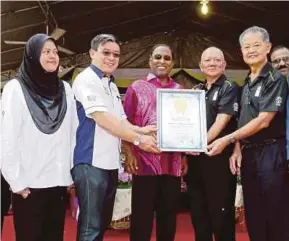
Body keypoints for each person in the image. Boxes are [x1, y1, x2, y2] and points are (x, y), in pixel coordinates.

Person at [72, 34, 159, 241]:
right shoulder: (86, 80)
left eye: (116, 54)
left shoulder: (110, 83)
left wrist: (140, 130)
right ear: (92, 53)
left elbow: (120, 120)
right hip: (90, 162)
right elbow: (102, 118)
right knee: (90, 227)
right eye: (106, 53)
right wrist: (138, 140)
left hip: (109, 164)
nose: (111, 58)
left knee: (101, 224)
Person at [207, 26, 289, 241]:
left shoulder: (274, 79)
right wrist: (237, 148)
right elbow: (244, 118)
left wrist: (227, 139)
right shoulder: (247, 81)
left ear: (267, 47)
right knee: (254, 212)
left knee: (274, 213)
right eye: (246, 46)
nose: (251, 50)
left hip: (271, 152)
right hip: (249, 154)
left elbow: (264, 120)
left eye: (256, 45)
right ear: (240, 50)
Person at [1, 34, 76, 241]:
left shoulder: (65, 89)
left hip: (58, 183)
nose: (52, 56)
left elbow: (73, 132)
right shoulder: (15, 89)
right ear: (33, 55)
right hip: (29, 185)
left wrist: (70, 173)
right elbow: (7, 138)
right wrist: (16, 182)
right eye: (46, 51)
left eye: (55, 52)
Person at [123, 44, 187, 241]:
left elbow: (184, 125)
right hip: (144, 164)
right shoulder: (136, 88)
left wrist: (184, 156)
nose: (162, 61)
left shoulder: (180, 90)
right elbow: (124, 123)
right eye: (157, 57)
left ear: (173, 63)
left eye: (167, 58)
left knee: (168, 218)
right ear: (150, 61)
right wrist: (129, 151)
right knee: (142, 217)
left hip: (172, 164)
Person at [186, 47, 239, 241]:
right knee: (199, 214)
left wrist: (196, 144)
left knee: (221, 215)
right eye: (207, 60)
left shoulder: (230, 88)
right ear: (200, 65)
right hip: (195, 161)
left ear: (224, 64)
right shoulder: (196, 91)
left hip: (218, 160)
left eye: (217, 60)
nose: (212, 63)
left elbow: (221, 122)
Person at [271, 45, 289, 164]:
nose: (282, 63)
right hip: (279, 155)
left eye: (286, 59)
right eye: (276, 61)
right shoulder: (270, 89)